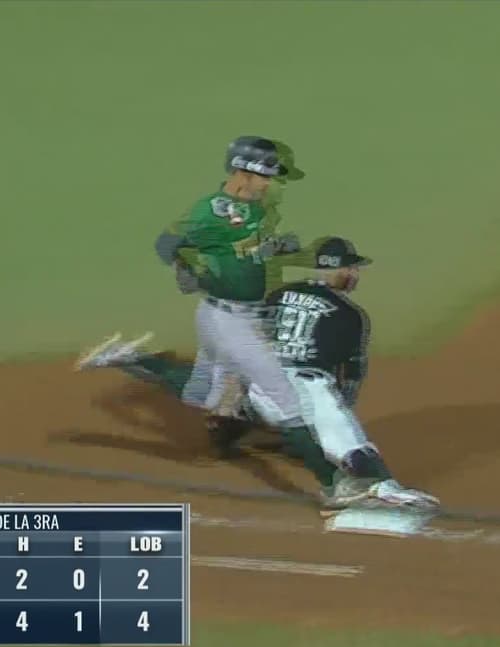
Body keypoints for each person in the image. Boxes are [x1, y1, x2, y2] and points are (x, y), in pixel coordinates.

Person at [76, 137, 394, 511]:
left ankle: (132, 359)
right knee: (288, 403)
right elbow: (166, 245)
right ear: (244, 171)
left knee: (207, 393)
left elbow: (243, 253)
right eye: (265, 176)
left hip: (237, 316)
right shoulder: (207, 212)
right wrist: (190, 270)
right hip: (228, 319)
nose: (269, 184)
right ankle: (332, 485)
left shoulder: (253, 210)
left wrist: (274, 249)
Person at [85, 236, 440, 514]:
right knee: (340, 432)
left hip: (256, 378)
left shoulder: (280, 294)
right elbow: (352, 373)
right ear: (338, 270)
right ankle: (377, 485)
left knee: (209, 390)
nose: (356, 274)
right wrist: (342, 402)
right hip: (301, 384)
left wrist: (234, 381)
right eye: (352, 268)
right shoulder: (350, 315)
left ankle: (132, 358)